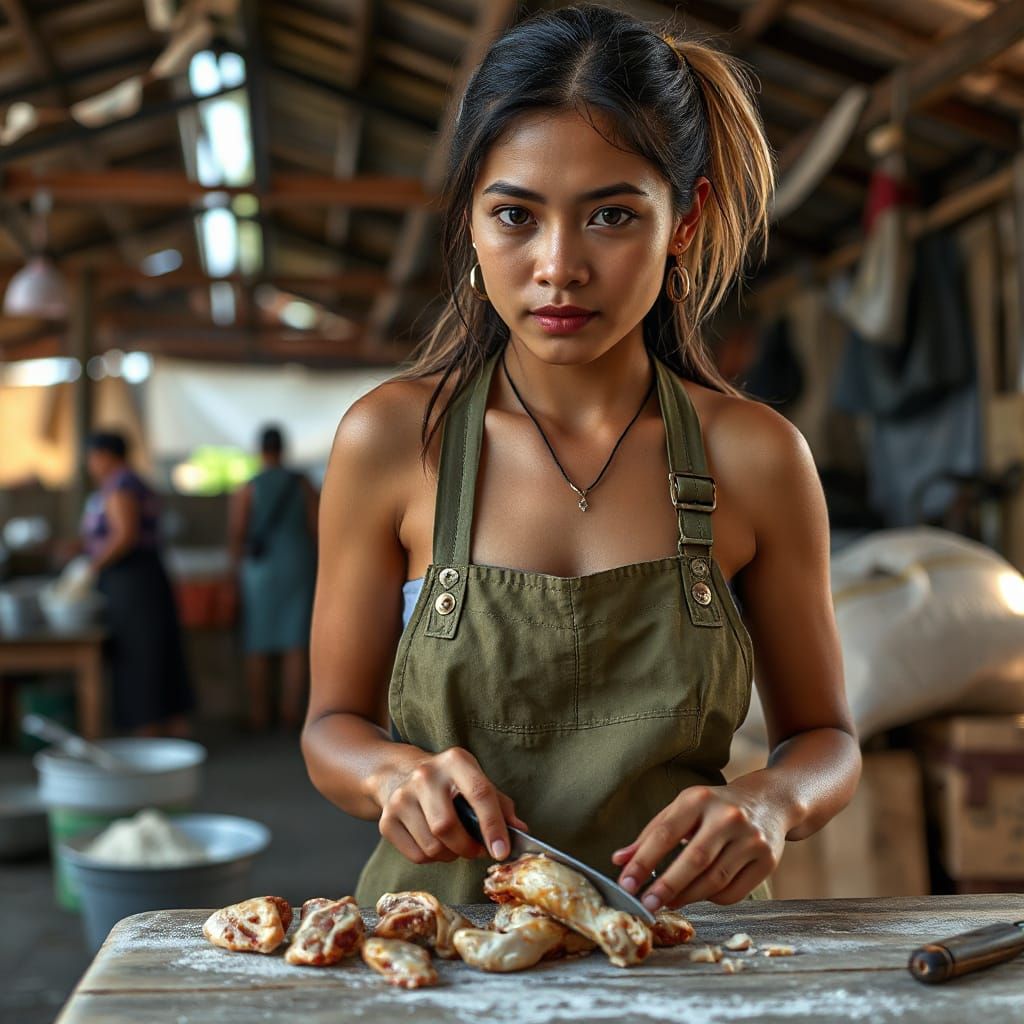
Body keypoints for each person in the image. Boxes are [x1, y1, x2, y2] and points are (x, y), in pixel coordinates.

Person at [304, 4, 861, 912]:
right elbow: (332, 727)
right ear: (472, 224)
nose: (558, 266)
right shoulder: (395, 441)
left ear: (685, 220)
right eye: (516, 215)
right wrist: (387, 776)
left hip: (684, 957)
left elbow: (826, 738)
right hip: (443, 956)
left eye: (611, 215)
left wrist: (769, 800)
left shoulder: (756, 457)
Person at [81, 430, 193, 737]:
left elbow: (125, 535)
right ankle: (169, 729)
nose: (91, 464)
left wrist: (90, 567)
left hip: (133, 581)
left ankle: (150, 731)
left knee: (140, 652)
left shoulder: (120, 486)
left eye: (92, 456)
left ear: (105, 455)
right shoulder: (132, 482)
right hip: (145, 577)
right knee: (156, 649)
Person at [229, 425, 318, 732]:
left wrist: (233, 576)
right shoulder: (302, 484)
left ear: (260, 450)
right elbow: (317, 525)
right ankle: (291, 713)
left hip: (260, 570)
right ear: (283, 448)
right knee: (295, 641)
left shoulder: (248, 488)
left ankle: (259, 714)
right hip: (297, 564)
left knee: (258, 641)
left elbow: (237, 534)